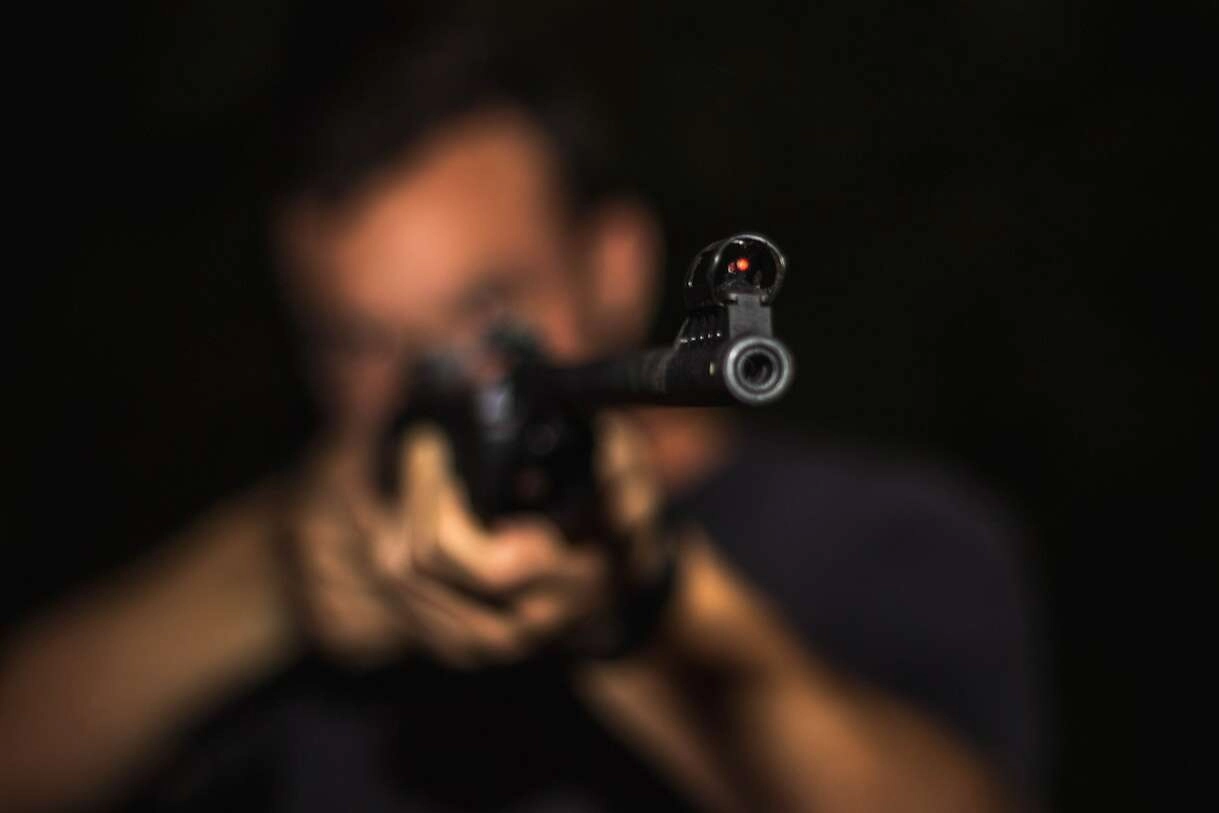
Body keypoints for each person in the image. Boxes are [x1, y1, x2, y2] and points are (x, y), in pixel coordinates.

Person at [0, 19, 1039, 813]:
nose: (426, 377)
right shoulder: (307, 562)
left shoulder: (881, 536)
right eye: (358, 339)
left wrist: (645, 613)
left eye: (485, 309)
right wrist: (268, 575)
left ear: (616, 266)